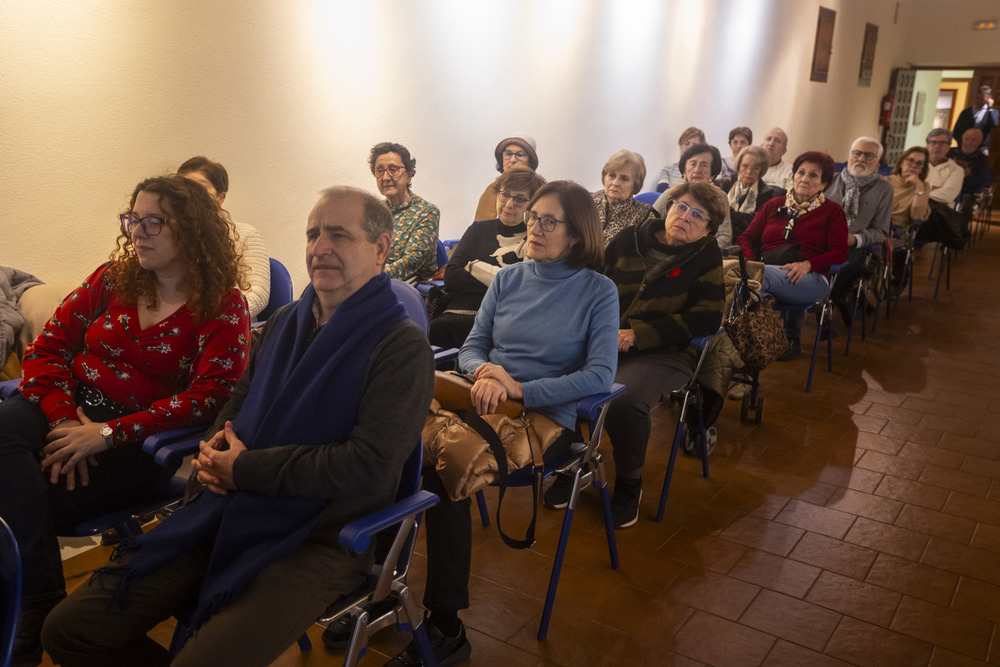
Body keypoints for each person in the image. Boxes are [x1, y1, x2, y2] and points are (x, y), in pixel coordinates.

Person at [41, 186, 435, 667]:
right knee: (67, 631)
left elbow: (368, 468)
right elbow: (237, 403)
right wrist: (212, 452)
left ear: (380, 248)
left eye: (339, 235)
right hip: (228, 508)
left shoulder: (401, 347)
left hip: (318, 537)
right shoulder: (289, 321)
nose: (320, 247)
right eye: (313, 234)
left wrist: (243, 469)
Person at [2, 176, 251, 666]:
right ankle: (41, 600)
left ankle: (30, 614)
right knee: (5, 432)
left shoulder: (224, 306)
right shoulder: (113, 277)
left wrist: (107, 434)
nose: (138, 232)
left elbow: (210, 398)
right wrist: (63, 422)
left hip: (138, 442)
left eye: (154, 221)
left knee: (18, 498)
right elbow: (47, 348)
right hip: (68, 410)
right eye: (133, 220)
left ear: (193, 230)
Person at [396, 181, 618, 667]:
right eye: (533, 217)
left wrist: (517, 388)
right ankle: (373, 587)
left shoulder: (598, 291)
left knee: (439, 473)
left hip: (545, 420)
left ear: (578, 233)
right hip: (482, 398)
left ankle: (446, 626)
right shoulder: (508, 279)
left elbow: (600, 375)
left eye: (547, 221)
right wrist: (483, 371)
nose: (532, 227)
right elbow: (474, 345)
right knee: (390, 448)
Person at [545, 181, 725, 528]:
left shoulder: (706, 255)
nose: (685, 217)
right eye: (681, 207)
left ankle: (629, 481)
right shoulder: (631, 238)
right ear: (669, 207)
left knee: (624, 399)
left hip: (665, 351)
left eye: (697, 215)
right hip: (604, 340)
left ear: (708, 228)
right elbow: (592, 281)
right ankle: (572, 461)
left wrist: (638, 334)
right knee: (554, 376)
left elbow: (707, 317)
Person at [737, 151, 848, 360]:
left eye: (813, 175)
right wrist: (751, 260)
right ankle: (758, 348)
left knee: (753, 278)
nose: (805, 179)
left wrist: (808, 264)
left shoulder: (832, 211)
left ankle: (762, 345)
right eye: (801, 172)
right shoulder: (774, 205)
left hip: (811, 278)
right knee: (751, 286)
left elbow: (840, 253)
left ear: (823, 183)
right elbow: (746, 238)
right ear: (793, 175)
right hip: (768, 272)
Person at [429, 167, 547, 349]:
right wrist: (498, 280)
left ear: (532, 206)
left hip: (499, 320)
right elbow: (452, 277)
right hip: (458, 312)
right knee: (427, 332)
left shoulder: (533, 237)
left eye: (519, 199)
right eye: (505, 194)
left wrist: (474, 267)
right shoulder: (478, 229)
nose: (508, 204)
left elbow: (517, 290)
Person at [177, 156, 271, 320]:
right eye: (184, 188)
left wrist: (222, 319)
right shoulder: (168, 235)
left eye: (199, 187)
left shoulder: (245, 234)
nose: (190, 195)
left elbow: (259, 292)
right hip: (178, 329)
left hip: (230, 327)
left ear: (221, 197)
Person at [823, 137, 893, 325]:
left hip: (855, 246)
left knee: (839, 271)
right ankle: (838, 300)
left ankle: (831, 304)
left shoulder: (884, 189)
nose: (861, 158)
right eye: (857, 153)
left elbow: (881, 231)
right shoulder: (830, 181)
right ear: (850, 156)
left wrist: (855, 239)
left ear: (877, 162)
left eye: (869, 155)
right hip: (821, 240)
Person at [370, 142, 441, 283]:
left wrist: (366, 276)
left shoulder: (427, 212)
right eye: (379, 170)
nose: (385, 177)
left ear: (409, 175)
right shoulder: (372, 212)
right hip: (374, 283)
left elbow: (412, 261)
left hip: (411, 290)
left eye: (393, 169)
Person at [653, 144, 734, 247]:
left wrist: (700, 252)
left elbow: (725, 236)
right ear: (684, 171)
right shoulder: (670, 194)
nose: (697, 170)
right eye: (693, 164)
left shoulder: (719, 198)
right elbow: (649, 222)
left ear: (712, 174)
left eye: (704, 165)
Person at [592, 149, 655, 244]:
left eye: (624, 178)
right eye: (612, 175)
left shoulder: (646, 216)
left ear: (635, 185)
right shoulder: (590, 203)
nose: (615, 183)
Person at [472, 135, 540, 221]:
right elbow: (481, 229)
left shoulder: (540, 191)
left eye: (520, 155)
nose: (512, 160)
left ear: (530, 162)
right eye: (508, 154)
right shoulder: (492, 190)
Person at [724, 145, 785, 239]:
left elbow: (754, 223)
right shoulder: (723, 184)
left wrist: (726, 212)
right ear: (738, 165)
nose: (749, 172)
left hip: (746, 240)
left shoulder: (767, 194)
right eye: (745, 166)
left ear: (761, 170)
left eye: (755, 168)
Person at [886, 147, 931, 232]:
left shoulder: (923, 186)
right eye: (910, 161)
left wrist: (919, 186)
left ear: (922, 169)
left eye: (919, 163)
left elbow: (918, 216)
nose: (914, 165)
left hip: (896, 232)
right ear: (901, 163)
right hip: (877, 227)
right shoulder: (886, 181)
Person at [653, 126, 706, 192]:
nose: (689, 148)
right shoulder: (668, 170)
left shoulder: (705, 171)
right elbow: (661, 193)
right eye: (686, 143)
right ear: (680, 145)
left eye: (694, 145)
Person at [948, 129, 994, 198]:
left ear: (979, 142)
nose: (968, 142)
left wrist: (969, 175)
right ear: (962, 138)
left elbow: (982, 182)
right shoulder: (950, 152)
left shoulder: (983, 159)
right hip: (946, 188)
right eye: (966, 139)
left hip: (967, 193)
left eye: (973, 140)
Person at [953, 85, 999, 153]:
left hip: (982, 148)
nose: (979, 102)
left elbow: (994, 124)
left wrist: (990, 107)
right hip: (964, 147)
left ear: (988, 99)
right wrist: (962, 144)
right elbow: (956, 131)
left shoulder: (991, 112)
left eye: (982, 99)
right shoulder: (966, 112)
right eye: (977, 98)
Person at [925, 128, 964, 204]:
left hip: (938, 211)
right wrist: (933, 189)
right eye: (933, 142)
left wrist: (919, 194)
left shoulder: (956, 170)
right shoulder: (916, 164)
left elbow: (946, 196)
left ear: (948, 147)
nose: (937, 146)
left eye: (942, 143)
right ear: (927, 145)